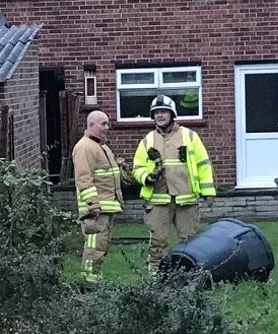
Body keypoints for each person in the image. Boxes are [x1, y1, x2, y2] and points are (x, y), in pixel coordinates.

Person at [131, 95, 215, 267]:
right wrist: (147, 177)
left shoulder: (190, 137)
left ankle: (187, 280)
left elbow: (203, 165)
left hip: (186, 199)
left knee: (189, 243)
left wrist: (208, 192)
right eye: (156, 113)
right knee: (157, 244)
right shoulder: (147, 140)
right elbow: (137, 168)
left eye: (163, 112)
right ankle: (156, 281)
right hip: (157, 201)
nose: (160, 116)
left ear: (172, 114)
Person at [70, 109, 123, 283]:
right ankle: (88, 282)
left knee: (101, 246)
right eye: (103, 124)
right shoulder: (85, 147)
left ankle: (94, 278)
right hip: (95, 211)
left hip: (105, 208)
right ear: (91, 125)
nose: (107, 128)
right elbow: (84, 178)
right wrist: (92, 206)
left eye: (107, 123)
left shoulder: (101, 146)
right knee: (94, 246)